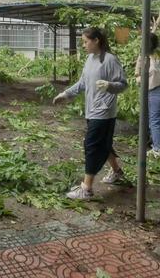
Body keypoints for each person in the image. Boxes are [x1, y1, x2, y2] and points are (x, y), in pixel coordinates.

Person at [53, 27, 127, 200]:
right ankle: (117, 172)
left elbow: (123, 84)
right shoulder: (89, 59)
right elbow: (82, 83)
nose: (83, 45)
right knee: (103, 143)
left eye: (86, 42)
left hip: (104, 111)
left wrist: (110, 85)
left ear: (96, 41)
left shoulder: (110, 60)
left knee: (91, 145)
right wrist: (65, 94)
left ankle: (86, 188)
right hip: (92, 110)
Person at [135, 32, 160, 159]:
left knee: (154, 120)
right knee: (149, 119)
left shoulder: (157, 56)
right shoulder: (142, 56)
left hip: (157, 90)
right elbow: (137, 73)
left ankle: (157, 148)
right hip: (147, 91)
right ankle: (154, 144)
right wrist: (139, 79)